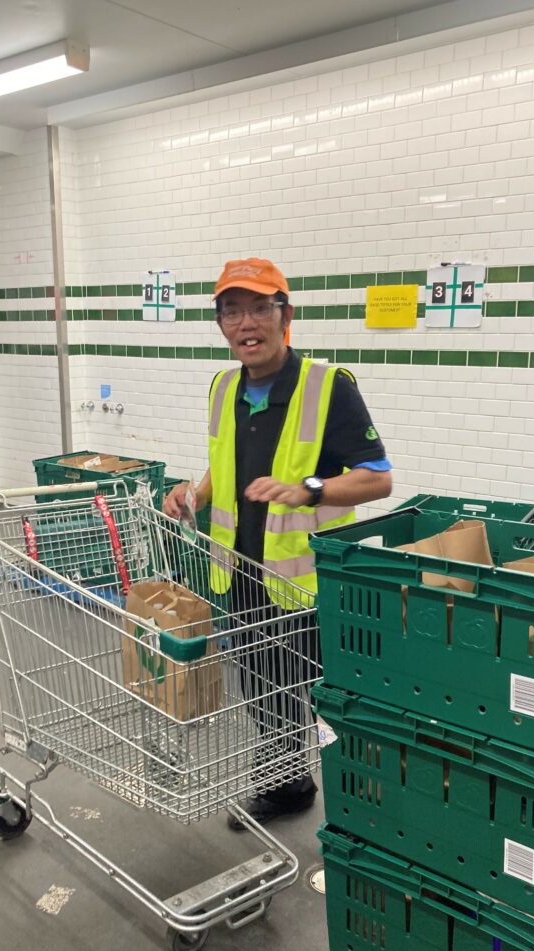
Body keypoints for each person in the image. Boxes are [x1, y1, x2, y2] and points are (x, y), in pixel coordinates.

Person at [163, 257, 392, 828]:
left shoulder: (328, 387)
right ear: (221, 325)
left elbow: (379, 478)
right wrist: (193, 490)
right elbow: (226, 462)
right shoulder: (222, 386)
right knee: (261, 683)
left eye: (260, 308)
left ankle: (358, 806)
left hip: (304, 579)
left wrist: (307, 489)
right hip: (238, 570)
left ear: (285, 315)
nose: (247, 323)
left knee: (308, 688)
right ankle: (287, 782)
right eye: (232, 311)